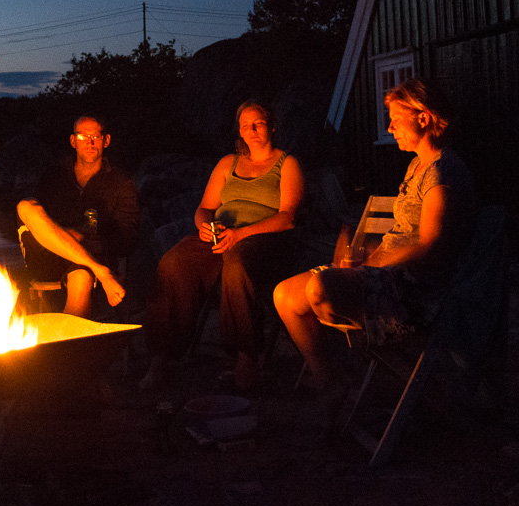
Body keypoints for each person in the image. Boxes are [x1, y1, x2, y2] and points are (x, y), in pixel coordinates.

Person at [274, 78, 475, 389]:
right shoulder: (416, 167)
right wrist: (365, 257)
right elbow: (401, 234)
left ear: (422, 118)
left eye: (395, 119)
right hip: (386, 275)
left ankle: (355, 370)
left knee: (321, 288)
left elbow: (430, 245)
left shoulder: (443, 171)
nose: (390, 127)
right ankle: (329, 384)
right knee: (285, 295)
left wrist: (373, 267)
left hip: (414, 289)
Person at [141, 101, 304, 391]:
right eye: (245, 125)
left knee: (238, 263)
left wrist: (241, 235)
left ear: (272, 126)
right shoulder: (228, 163)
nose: (251, 130)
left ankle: (245, 358)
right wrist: (205, 226)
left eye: (258, 123)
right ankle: (162, 357)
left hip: (262, 241)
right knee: (175, 262)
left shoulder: (286, 164)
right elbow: (205, 208)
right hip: (221, 236)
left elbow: (287, 218)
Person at [16, 115, 138, 316]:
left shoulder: (121, 183)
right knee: (25, 206)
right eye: (82, 137)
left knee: (82, 276)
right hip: (50, 256)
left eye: (95, 137)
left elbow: (129, 237)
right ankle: (99, 270)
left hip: (92, 256)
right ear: (73, 141)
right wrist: (66, 234)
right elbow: (38, 224)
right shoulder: (53, 176)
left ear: (105, 141)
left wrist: (88, 237)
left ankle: (69, 345)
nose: (89, 142)